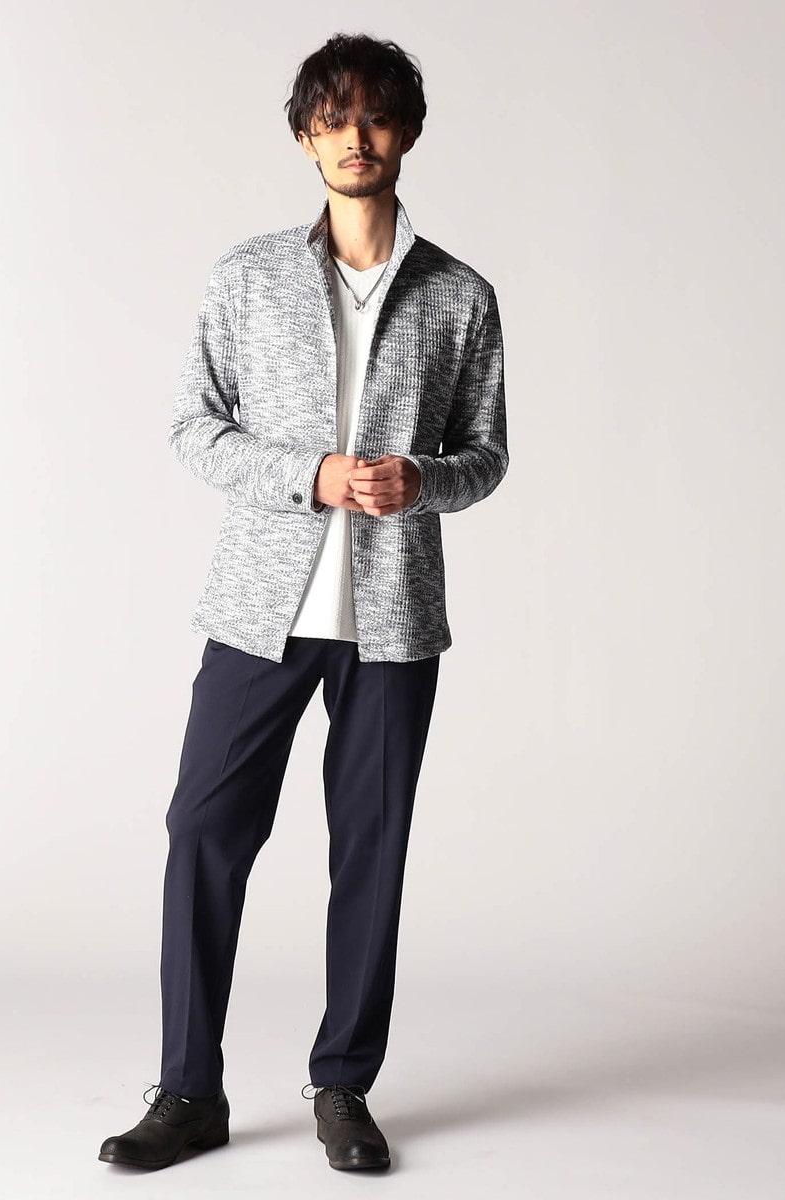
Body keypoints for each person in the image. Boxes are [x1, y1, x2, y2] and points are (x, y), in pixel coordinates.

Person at [98, 31, 507, 1174]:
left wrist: (421, 479)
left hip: (392, 625)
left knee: (369, 852)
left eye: (374, 117)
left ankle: (343, 1086)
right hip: (256, 614)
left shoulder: (459, 295)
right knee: (203, 830)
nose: (354, 137)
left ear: (406, 132)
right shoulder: (247, 276)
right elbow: (193, 427)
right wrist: (308, 473)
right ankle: (189, 1091)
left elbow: (486, 456)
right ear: (304, 136)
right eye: (333, 119)